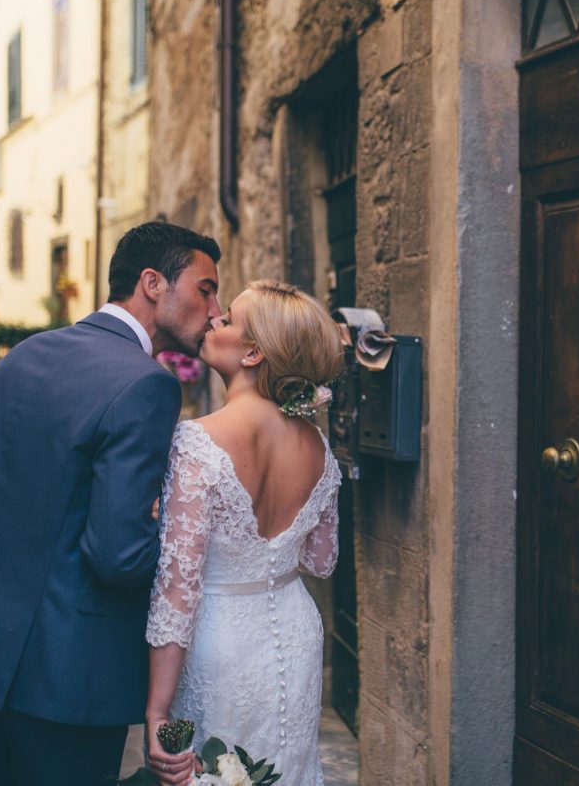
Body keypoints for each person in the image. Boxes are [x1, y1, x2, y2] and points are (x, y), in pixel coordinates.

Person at [0, 222, 222, 786]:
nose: (215, 309)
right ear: (153, 283)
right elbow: (118, 555)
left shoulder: (22, 355)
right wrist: (183, 552)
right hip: (62, 680)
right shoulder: (146, 385)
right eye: (205, 288)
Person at [143, 280, 344, 786]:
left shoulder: (196, 442)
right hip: (294, 632)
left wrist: (156, 712)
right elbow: (321, 561)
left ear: (253, 351)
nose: (214, 321)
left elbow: (177, 591)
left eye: (228, 319)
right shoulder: (319, 448)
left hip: (220, 638)